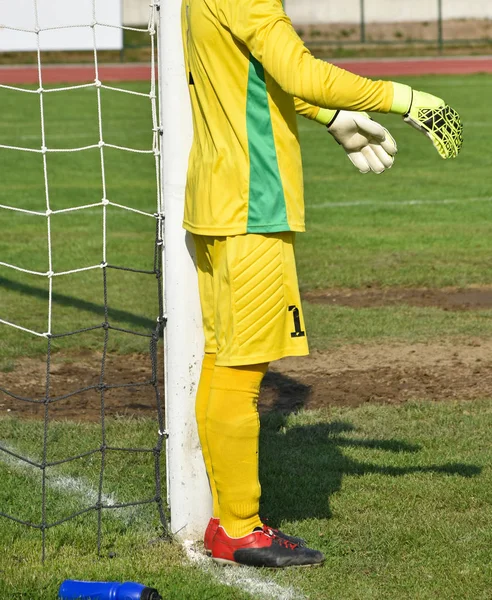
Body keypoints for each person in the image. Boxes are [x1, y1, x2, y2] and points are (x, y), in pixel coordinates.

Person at [180, 0, 462, 568]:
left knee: (223, 360)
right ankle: (240, 528)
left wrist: (333, 118)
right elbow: (298, 70)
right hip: (253, 205)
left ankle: (227, 523)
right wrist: (405, 98)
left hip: (218, 199)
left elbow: (261, 70)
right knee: (240, 372)